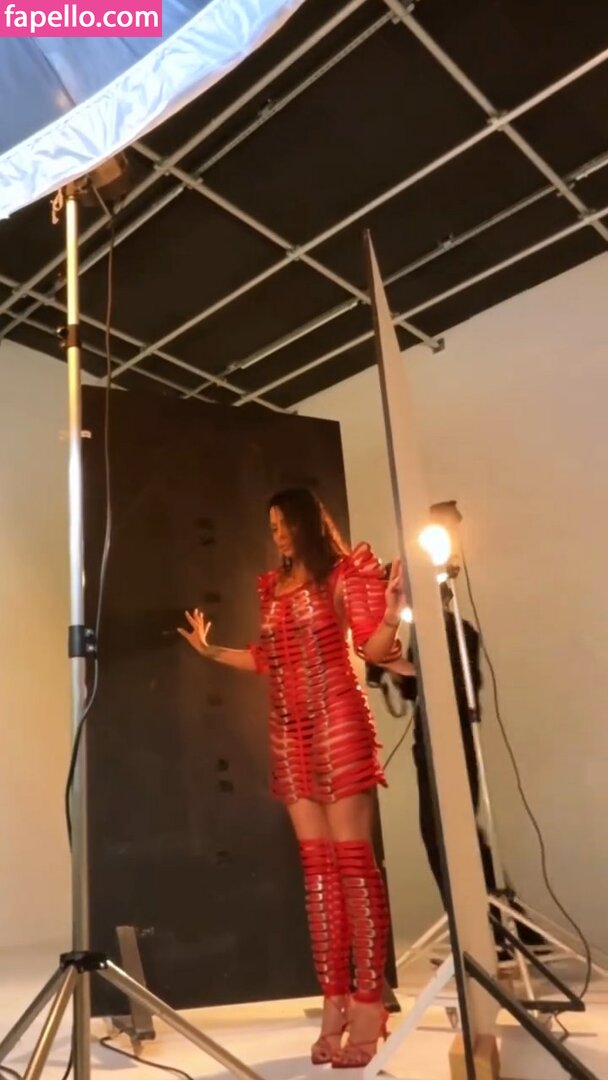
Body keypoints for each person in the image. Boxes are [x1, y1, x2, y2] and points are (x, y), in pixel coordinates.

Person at [178, 488, 405, 1068]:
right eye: (272, 525)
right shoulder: (272, 588)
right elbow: (265, 658)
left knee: (353, 867)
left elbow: (373, 648)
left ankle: (369, 1005)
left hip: (338, 724)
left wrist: (391, 612)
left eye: (284, 524)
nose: (277, 534)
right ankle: (334, 1002)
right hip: (289, 734)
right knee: (319, 874)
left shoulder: (344, 574)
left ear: (307, 523)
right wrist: (210, 651)